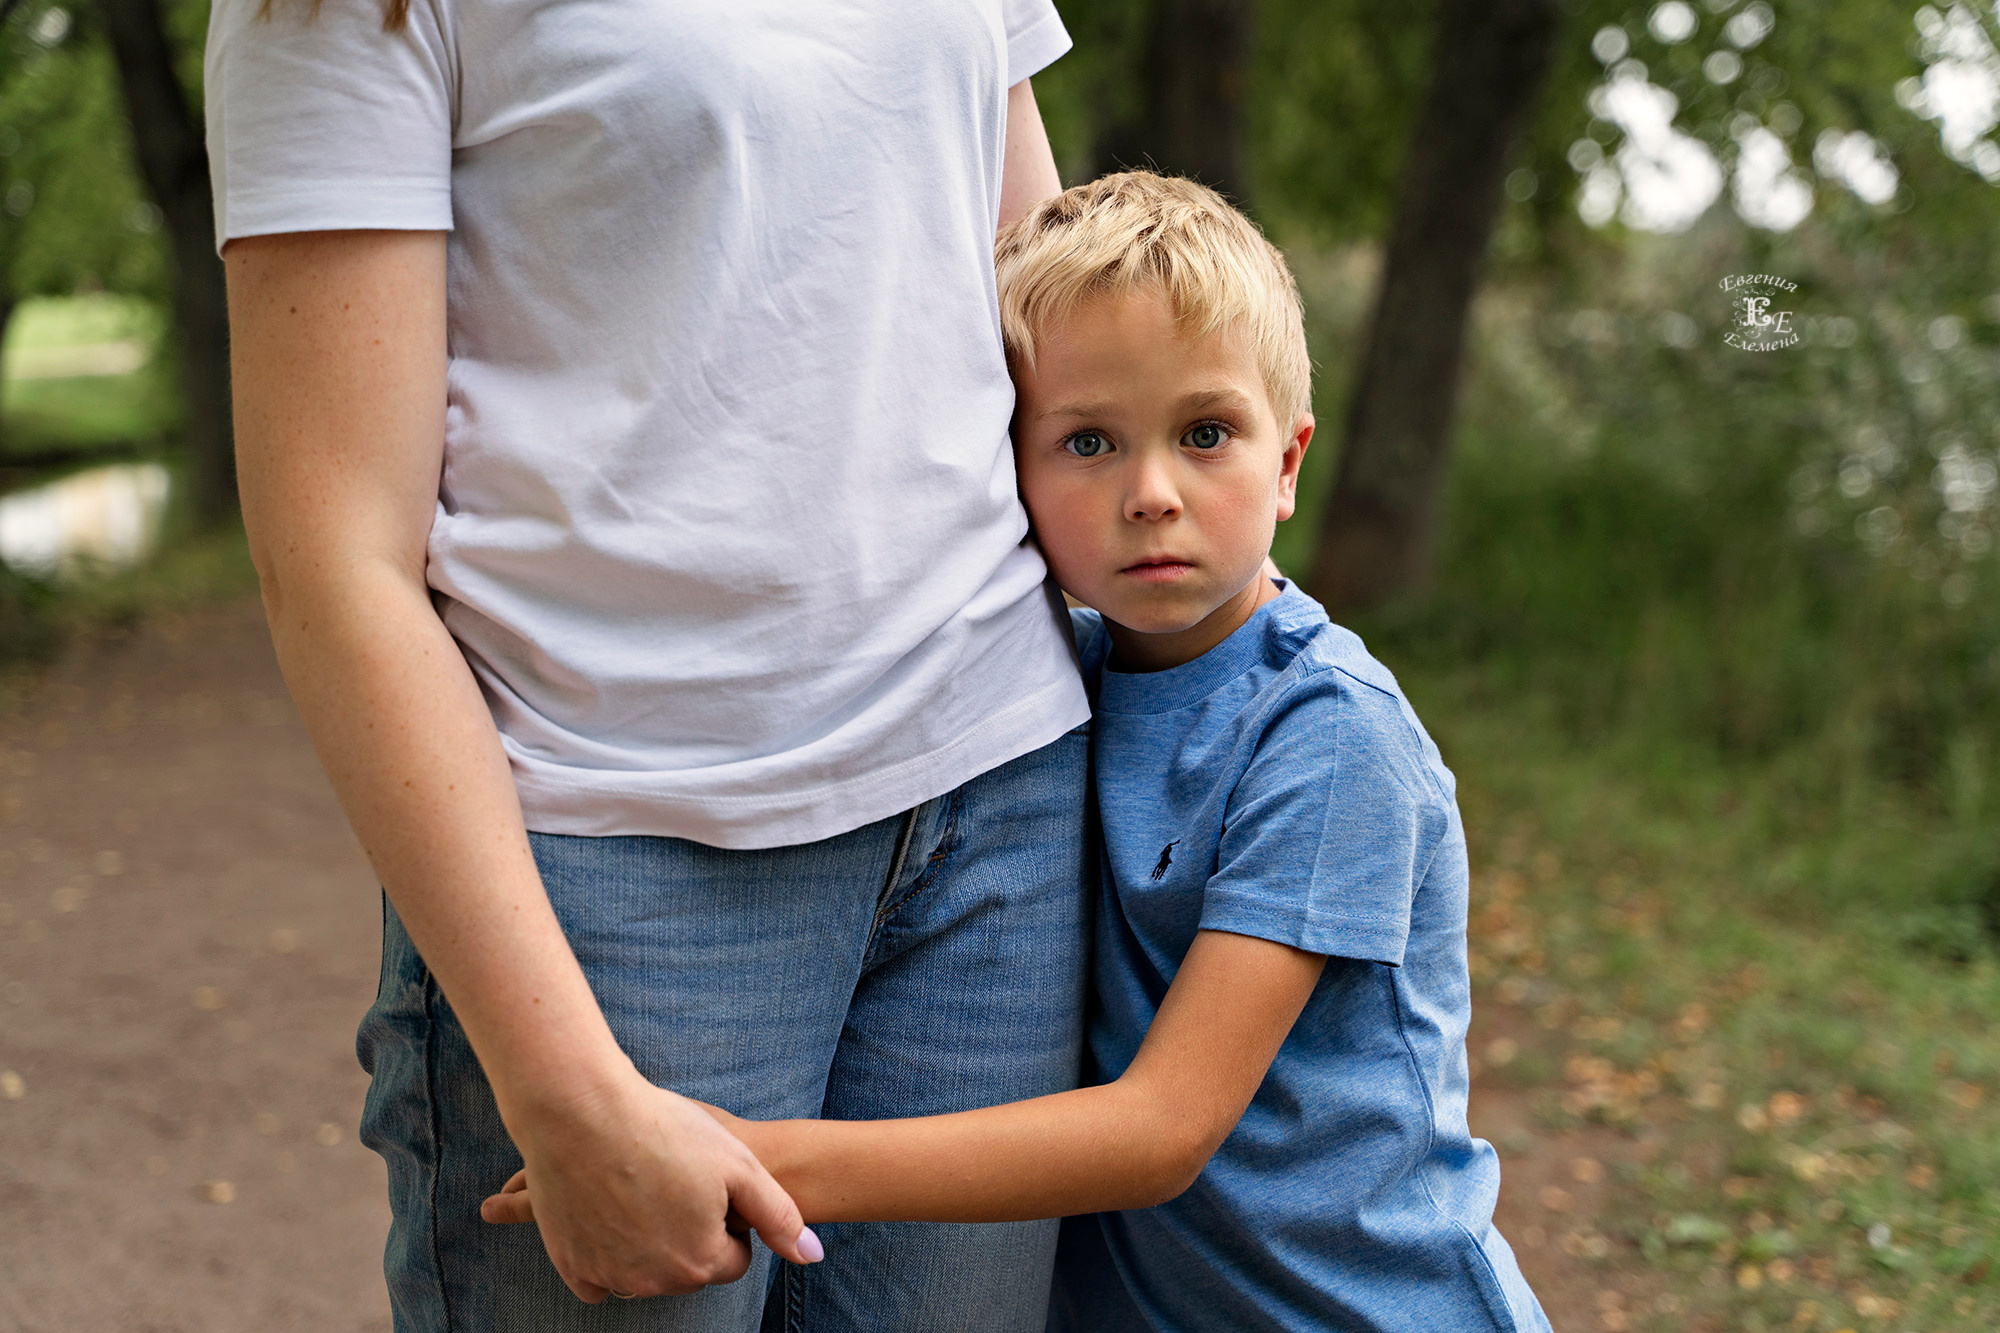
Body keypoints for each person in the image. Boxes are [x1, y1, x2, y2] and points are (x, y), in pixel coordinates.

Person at [489, 171, 1554, 1331]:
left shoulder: (1325, 735)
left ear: (1288, 460)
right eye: (1086, 441)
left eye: (1206, 434)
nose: (1150, 493)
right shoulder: (1054, 678)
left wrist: (748, 1153)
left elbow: (1160, 1131)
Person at [206, 1, 1097, 1328]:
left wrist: (1279, 693)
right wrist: (561, 1082)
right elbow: (338, 562)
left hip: (996, 813)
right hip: (625, 878)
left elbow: (1059, 327)